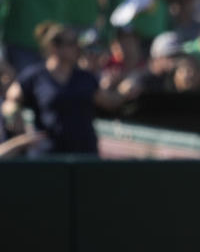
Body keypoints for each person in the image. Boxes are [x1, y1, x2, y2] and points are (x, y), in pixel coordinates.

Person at [2, 22, 135, 155]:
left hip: (84, 153)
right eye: (71, 43)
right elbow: (10, 100)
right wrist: (13, 113)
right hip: (49, 155)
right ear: (54, 47)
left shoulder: (85, 77)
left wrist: (125, 90)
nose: (77, 48)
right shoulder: (36, 76)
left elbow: (109, 101)